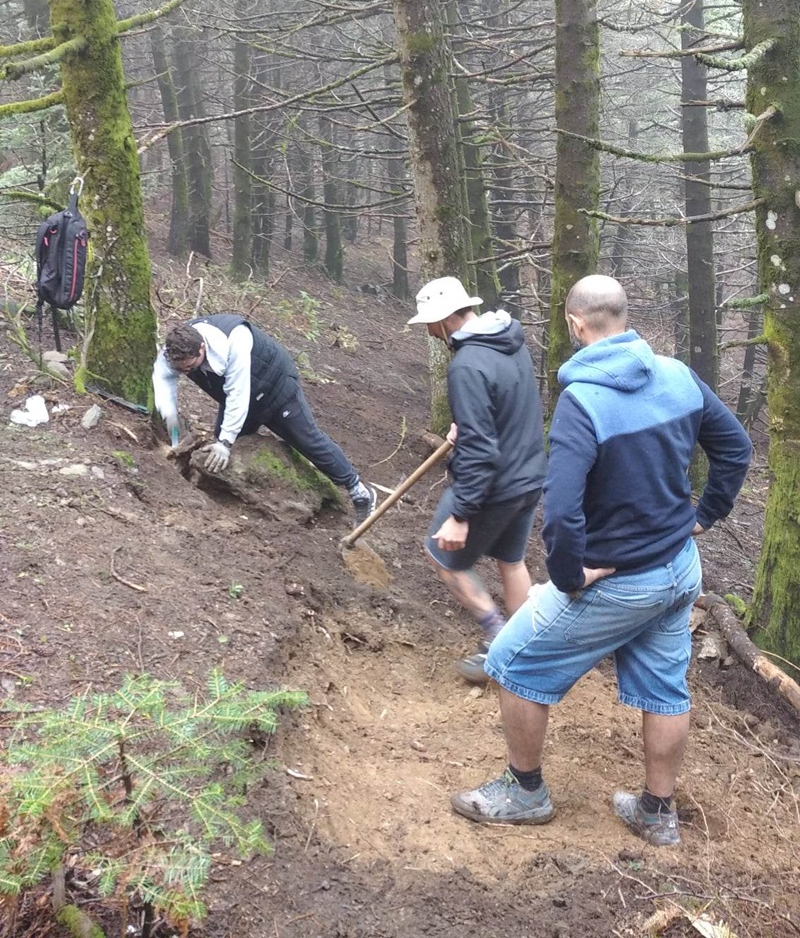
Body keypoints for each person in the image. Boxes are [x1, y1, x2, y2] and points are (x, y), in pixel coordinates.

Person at [451, 275, 752, 846]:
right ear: (623, 316)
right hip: (680, 568)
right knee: (666, 687)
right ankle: (656, 812)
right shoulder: (678, 376)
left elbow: (561, 512)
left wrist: (567, 578)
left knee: (512, 662)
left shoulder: (581, 402)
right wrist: (704, 515)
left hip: (617, 580)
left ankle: (524, 792)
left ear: (576, 325)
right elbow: (736, 447)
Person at [408, 277, 547, 683]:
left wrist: (462, 514)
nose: (430, 332)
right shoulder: (510, 340)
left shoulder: (467, 365)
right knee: (512, 560)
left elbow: (482, 452)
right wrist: (468, 424)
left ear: (445, 318)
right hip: (529, 475)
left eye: (430, 324)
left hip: (494, 485)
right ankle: (526, 650)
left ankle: (499, 641)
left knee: (443, 557)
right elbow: (506, 404)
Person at [153, 313, 377, 523]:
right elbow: (163, 381)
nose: (187, 372)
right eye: (182, 370)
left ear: (202, 347)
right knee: (221, 455)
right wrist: (171, 420)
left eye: (191, 367)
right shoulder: (174, 352)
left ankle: (358, 491)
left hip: (276, 384)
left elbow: (238, 393)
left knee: (307, 439)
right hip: (238, 396)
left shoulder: (234, 340)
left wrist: (225, 441)